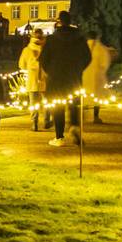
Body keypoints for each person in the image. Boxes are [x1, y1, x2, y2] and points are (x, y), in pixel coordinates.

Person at [39, 10, 91, 147]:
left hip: (56, 78)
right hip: (74, 77)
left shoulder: (51, 39)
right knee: (73, 104)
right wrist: (78, 69)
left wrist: (50, 71)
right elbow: (87, 57)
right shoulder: (80, 38)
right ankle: (74, 125)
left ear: (59, 21)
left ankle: (59, 136)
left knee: (58, 107)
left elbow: (43, 59)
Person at [82, 31, 116, 123]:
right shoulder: (101, 48)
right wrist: (102, 71)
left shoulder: (83, 47)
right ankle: (96, 117)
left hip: (85, 75)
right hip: (98, 76)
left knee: (84, 95)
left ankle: (81, 115)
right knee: (97, 97)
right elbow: (105, 62)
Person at [18, 28, 47, 130]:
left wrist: (30, 67)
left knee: (33, 103)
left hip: (32, 78)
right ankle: (47, 118)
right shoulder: (46, 48)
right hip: (45, 78)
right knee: (46, 101)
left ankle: (34, 123)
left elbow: (21, 65)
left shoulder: (27, 50)